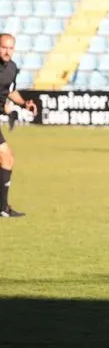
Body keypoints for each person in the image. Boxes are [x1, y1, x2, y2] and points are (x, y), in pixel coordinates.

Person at [0, 33, 37, 218]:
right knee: (6, 157)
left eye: (10, 48)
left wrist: (24, 103)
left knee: (7, 159)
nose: (7, 51)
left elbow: (10, 90)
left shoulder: (12, 68)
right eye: (3, 47)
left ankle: (2, 207)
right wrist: (5, 109)